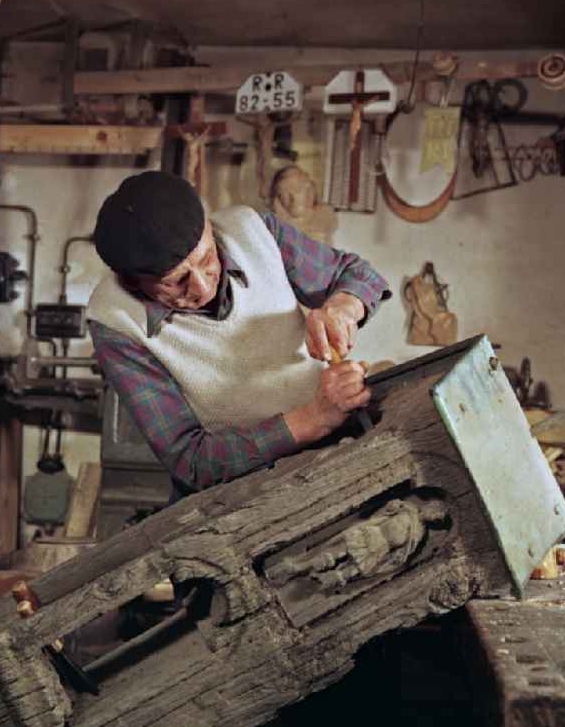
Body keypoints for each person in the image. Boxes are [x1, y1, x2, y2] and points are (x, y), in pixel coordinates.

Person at [87, 170, 391, 500]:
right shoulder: (116, 322)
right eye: (176, 282)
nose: (202, 287)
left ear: (208, 227)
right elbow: (192, 462)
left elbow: (357, 275)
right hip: (238, 497)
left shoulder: (251, 231)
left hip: (335, 449)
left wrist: (341, 309)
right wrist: (315, 418)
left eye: (206, 259)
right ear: (133, 282)